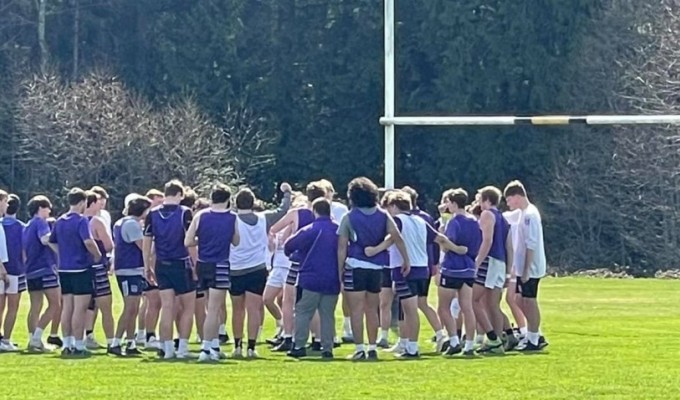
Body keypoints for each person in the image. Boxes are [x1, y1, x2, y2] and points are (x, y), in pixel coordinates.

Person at [337, 177, 410, 361]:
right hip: (377, 267)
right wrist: (405, 259)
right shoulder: (383, 215)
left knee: (356, 310)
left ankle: (359, 348)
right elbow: (396, 237)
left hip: (355, 265)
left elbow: (342, 246)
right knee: (372, 309)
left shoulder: (349, 216)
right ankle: (372, 347)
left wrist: (339, 270)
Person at [230, 183, 291, 358]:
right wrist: (286, 192)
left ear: (236, 203)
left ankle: (237, 346)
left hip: (235, 269)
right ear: (253, 202)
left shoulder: (231, 219)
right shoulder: (264, 218)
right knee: (254, 309)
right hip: (257, 269)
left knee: (237, 310)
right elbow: (283, 210)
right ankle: (251, 347)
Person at [184, 184, 240, 362]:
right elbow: (236, 241)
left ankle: (214, 346)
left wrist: (203, 240)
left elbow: (188, 241)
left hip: (202, 264)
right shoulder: (232, 217)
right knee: (214, 310)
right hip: (220, 264)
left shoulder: (200, 215)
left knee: (210, 307)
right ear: (227, 199)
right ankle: (206, 349)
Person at [143, 180, 195, 359]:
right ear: (180, 195)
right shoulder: (185, 213)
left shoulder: (153, 213)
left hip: (161, 263)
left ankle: (167, 348)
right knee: (188, 307)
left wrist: (146, 265)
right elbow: (190, 242)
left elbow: (147, 241)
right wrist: (196, 265)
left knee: (167, 306)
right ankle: (182, 348)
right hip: (181, 262)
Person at [268, 182, 322, 351]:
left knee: (289, 300)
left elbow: (274, 229)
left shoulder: (296, 214)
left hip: (296, 261)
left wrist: (277, 240)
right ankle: (318, 339)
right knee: (310, 303)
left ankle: (288, 337)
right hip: (314, 262)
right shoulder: (323, 214)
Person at [285, 198, 340, 359]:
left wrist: (296, 255)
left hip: (310, 278)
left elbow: (289, 245)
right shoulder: (338, 229)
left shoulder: (310, 229)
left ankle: (299, 345)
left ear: (314, 211)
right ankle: (327, 347)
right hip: (332, 278)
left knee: (303, 311)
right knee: (327, 314)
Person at [50, 187, 102, 356]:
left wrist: (63, 253)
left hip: (64, 269)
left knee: (67, 307)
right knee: (80, 308)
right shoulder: (81, 220)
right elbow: (88, 241)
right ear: (82, 202)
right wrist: (97, 255)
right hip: (80, 268)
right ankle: (79, 345)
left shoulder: (60, 221)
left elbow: (52, 242)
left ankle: (67, 343)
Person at [504, 180, 547, 351]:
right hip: (522, 267)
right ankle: (533, 333)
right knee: (518, 299)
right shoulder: (522, 213)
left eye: (509, 200)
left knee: (529, 301)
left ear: (517, 196)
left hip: (532, 267)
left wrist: (527, 269)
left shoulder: (530, 215)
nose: (508, 204)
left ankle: (535, 339)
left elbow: (531, 244)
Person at [437, 188, 481, 356]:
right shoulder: (474, 221)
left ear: (454, 204)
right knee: (467, 307)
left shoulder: (454, 222)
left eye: (448, 202)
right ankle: (469, 345)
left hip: (452, 268)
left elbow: (445, 244)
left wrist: (452, 246)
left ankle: (454, 340)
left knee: (443, 308)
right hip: (469, 269)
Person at [110, 194, 153, 356]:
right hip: (130, 270)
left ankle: (130, 342)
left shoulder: (122, 222)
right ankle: (116, 342)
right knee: (130, 307)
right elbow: (143, 247)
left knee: (133, 308)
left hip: (130, 270)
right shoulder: (131, 224)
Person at [473, 186, 514, 354]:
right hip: (500, 262)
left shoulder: (487, 214)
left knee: (471, 300)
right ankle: (496, 342)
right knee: (493, 305)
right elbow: (509, 247)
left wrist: (477, 262)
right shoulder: (503, 219)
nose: (478, 204)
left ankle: (492, 338)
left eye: (480, 200)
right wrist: (508, 272)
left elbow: (487, 240)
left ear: (487, 200)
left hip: (488, 261)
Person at [24, 195, 61, 351]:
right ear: (41, 208)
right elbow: (45, 239)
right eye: (48, 208)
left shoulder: (27, 226)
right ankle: (37, 337)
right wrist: (61, 251)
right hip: (45, 268)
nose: (50, 211)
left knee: (35, 306)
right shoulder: (40, 222)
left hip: (30, 270)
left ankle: (33, 340)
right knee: (55, 304)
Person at [84, 191, 115, 352]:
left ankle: (82, 338)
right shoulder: (96, 221)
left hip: (80, 268)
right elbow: (109, 245)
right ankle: (112, 342)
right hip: (97, 267)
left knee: (83, 305)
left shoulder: (77, 221)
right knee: (106, 306)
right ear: (92, 203)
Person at [136, 189, 164, 349]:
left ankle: (145, 334)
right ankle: (148, 335)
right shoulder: (147, 221)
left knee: (150, 302)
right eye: (158, 202)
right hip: (148, 266)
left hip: (153, 265)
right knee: (152, 301)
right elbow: (147, 246)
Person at [0, 194, 26, 351]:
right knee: (13, 307)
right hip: (14, 269)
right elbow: (24, 252)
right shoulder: (21, 227)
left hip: (3, 268)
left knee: (1, 307)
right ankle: (6, 339)